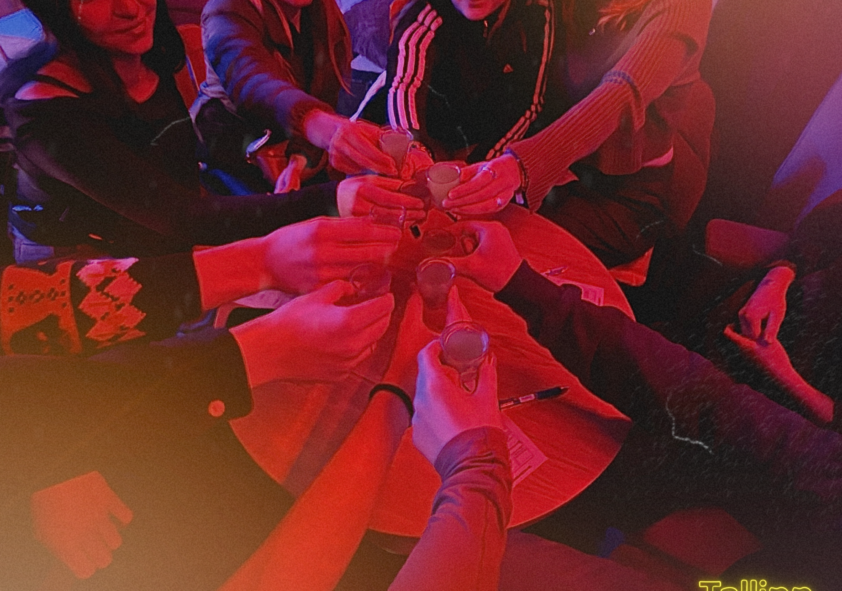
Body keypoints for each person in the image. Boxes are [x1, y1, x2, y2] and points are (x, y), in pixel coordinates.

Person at [439, 219, 842, 587]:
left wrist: (784, 375)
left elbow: (715, 408)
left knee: (467, 550)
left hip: (740, 459)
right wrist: (779, 275)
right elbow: (826, 224)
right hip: (714, 363)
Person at [2, 0, 421, 262]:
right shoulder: (47, 114)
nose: (130, 8)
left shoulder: (146, 53)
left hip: (169, 232)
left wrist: (302, 154)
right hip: (82, 266)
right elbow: (253, 81)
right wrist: (333, 194)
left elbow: (176, 193)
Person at [443, 0, 716, 268]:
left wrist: (520, 166)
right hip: (564, 172)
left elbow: (620, 94)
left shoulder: (684, 7)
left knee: (494, 251)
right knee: (462, 235)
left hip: (626, 196)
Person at [194, 0, 398, 194]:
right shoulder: (226, 9)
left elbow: (323, 94)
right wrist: (311, 121)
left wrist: (300, 158)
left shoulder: (322, 13)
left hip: (288, 151)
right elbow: (251, 80)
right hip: (229, 155)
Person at [361, 0, 554, 163]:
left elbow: (531, 101)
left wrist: (483, 163)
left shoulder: (535, 11)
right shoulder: (424, 17)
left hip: (480, 128)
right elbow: (404, 89)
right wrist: (419, 155)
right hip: (427, 128)